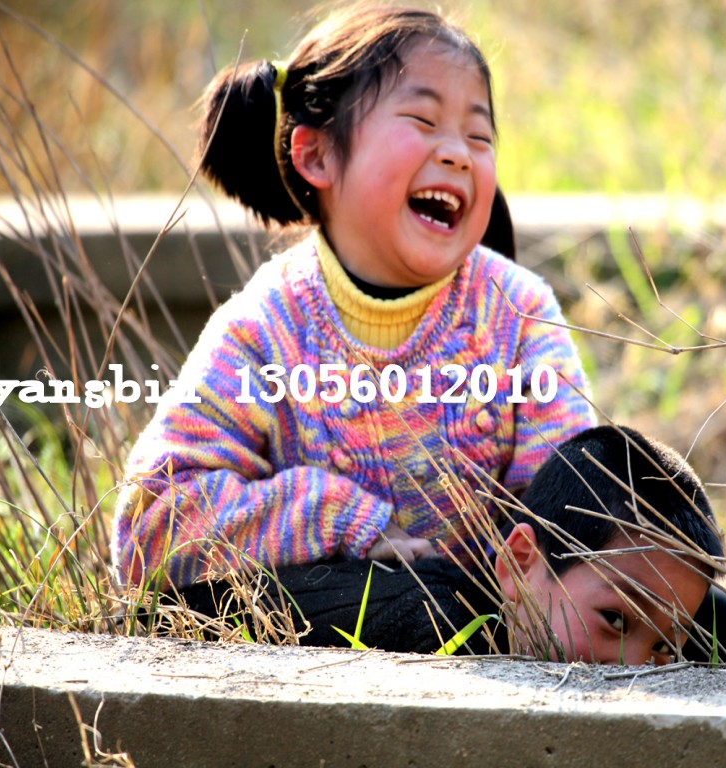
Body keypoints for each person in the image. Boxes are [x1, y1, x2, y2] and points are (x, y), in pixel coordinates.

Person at [112, 6, 594, 589]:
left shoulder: (518, 313)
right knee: (381, 599)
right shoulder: (263, 330)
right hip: (335, 625)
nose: (459, 153)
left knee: (686, 595)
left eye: (479, 134)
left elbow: (576, 521)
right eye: (422, 119)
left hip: (500, 619)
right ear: (316, 155)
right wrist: (338, 517)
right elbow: (148, 532)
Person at [173, 426, 726, 668]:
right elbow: (172, 616)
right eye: (615, 622)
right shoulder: (423, 626)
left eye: (664, 647)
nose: (634, 667)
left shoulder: (652, 595)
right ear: (520, 564)